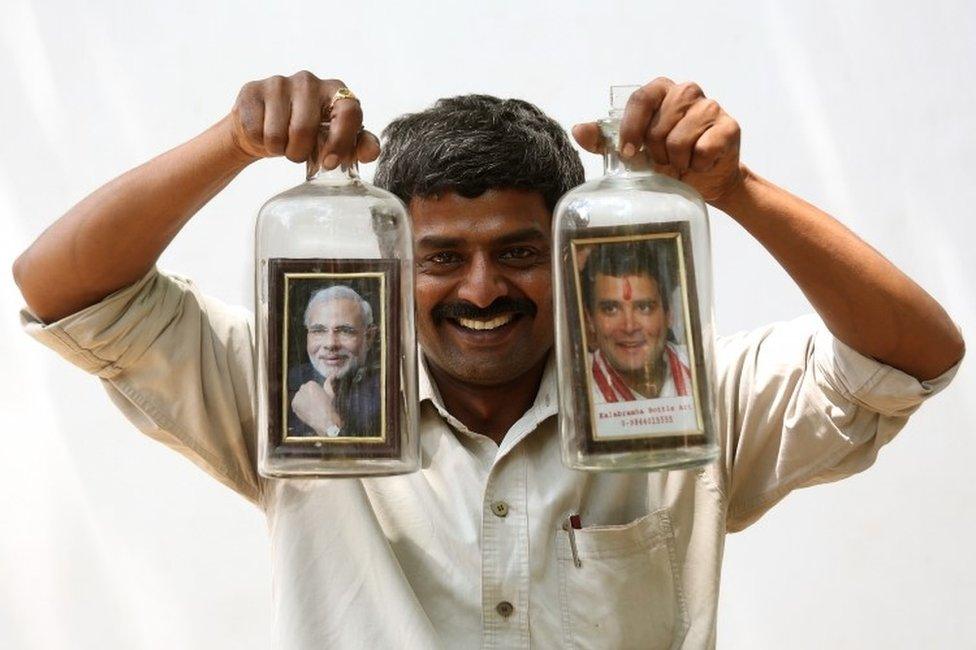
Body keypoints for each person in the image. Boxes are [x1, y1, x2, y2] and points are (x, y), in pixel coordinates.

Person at [13, 72, 963, 648]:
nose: (479, 290)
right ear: (389, 264)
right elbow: (63, 288)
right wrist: (233, 143)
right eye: (438, 257)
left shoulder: (682, 399)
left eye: (516, 251)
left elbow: (910, 355)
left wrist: (738, 190)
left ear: (571, 253)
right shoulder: (299, 399)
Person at [581, 241, 692, 403]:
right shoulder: (573, 394)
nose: (629, 327)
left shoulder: (705, 370)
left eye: (644, 307)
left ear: (669, 313)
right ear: (589, 318)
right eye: (611, 309)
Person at [288, 285, 380, 438]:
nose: (330, 344)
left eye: (345, 331)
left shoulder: (389, 392)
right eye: (318, 331)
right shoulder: (288, 382)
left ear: (369, 338)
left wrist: (328, 424)